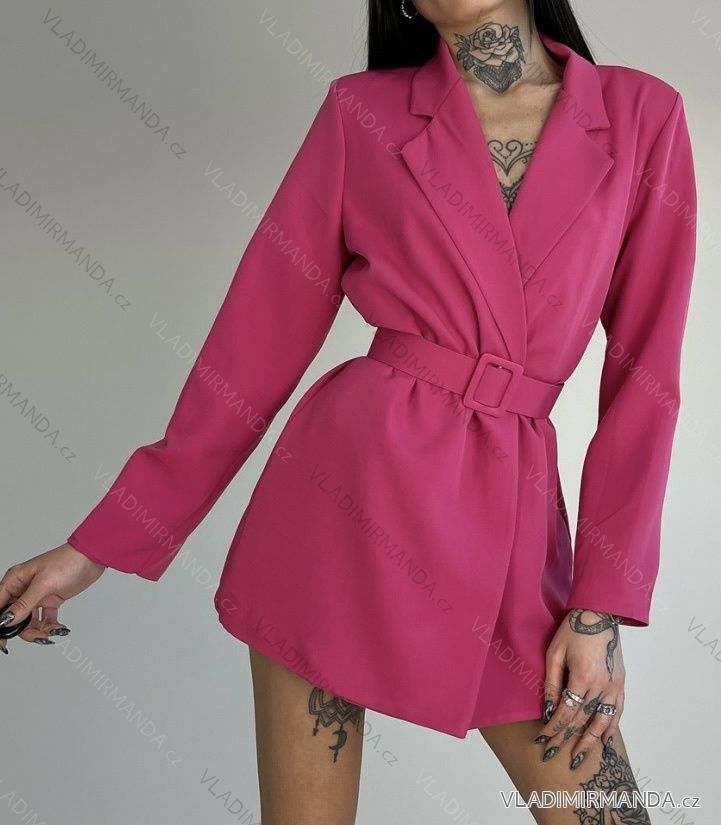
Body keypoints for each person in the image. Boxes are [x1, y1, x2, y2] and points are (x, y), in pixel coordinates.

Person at [1, 1, 697, 822]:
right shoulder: (361, 113)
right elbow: (251, 346)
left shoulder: (640, 114)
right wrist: (99, 544)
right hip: (337, 510)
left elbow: (645, 382)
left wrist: (597, 606)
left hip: (511, 524)